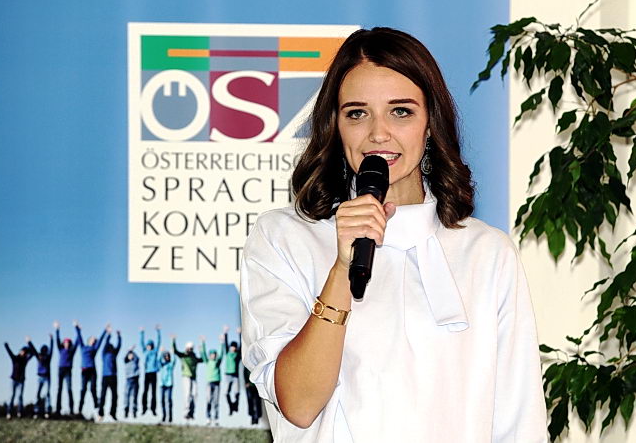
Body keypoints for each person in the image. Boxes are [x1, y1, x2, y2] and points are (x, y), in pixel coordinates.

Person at [240, 27, 547, 442]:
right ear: (335, 126)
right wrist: (341, 268)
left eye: (400, 111)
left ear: (430, 124)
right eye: (357, 113)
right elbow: (298, 403)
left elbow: (520, 421)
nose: (378, 133)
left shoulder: (486, 252)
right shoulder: (284, 238)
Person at [76, 321, 108, 416]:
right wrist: (77, 328)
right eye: (92, 339)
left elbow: (100, 340)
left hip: (92, 371)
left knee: (93, 388)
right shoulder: (83, 347)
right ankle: (80, 409)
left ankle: (96, 405)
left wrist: (105, 331)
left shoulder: (94, 349)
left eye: (94, 340)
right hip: (84, 370)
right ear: (89, 340)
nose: (94, 340)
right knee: (83, 389)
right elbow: (79, 338)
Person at [172, 335, 202, 420]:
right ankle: (186, 412)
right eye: (188, 348)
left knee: (195, 394)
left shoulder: (194, 357)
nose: (189, 350)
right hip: (186, 377)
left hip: (193, 377)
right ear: (186, 348)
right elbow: (175, 351)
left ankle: (191, 413)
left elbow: (203, 359)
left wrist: (201, 350)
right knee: (187, 394)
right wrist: (173, 341)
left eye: (191, 348)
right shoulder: (183, 356)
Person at [4, 337, 33, 418]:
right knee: (11, 396)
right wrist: (6, 346)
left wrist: (29, 343)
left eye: (25, 352)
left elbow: (33, 353)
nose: (23, 353)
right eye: (22, 351)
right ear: (20, 351)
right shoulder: (15, 358)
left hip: (21, 381)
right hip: (14, 380)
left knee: (20, 396)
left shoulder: (25, 360)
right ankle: (9, 412)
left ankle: (19, 412)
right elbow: (9, 353)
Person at [54, 320, 78, 416]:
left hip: (68, 370)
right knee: (59, 389)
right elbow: (57, 340)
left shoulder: (72, 351)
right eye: (65, 342)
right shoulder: (61, 350)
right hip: (61, 369)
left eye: (68, 342)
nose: (66, 343)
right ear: (63, 344)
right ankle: (58, 410)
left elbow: (77, 341)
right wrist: (57, 329)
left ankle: (71, 410)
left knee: (69, 389)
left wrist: (76, 328)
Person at [27, 333, 54, 418]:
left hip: (47, 377)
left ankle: (47, 412)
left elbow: (51, 349)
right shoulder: (38, 356)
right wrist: (29, 342)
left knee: (47, 394)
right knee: (38, 394)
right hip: (40, 377)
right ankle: (36, 411)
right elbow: (34, 350)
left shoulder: (48, 357)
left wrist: (51, 340)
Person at [98, 327, 121, 421]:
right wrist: (109, 334)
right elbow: (106, 343)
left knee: (115, 396)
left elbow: (119, 346)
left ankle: (113, 413)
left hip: (113, 377)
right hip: (105, 376)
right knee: (103, 395)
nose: (111, 348)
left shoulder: (114, 354)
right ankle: (101, 413)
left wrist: (119, 336)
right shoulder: (104, 354)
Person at [139, 325, 161, 416]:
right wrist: (142, 333)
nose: (148, 346)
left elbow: (159, 342)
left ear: (152, 346)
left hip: (154, 373)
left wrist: (158, 331)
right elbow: (141, 343)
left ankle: (153, 409)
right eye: (147, 345)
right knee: (145, 391)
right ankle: (144, 408)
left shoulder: (155, 352)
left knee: (153, 392)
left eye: (150, 345)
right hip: (147, 373)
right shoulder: (145, 351)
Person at [222, 326, 242, 415]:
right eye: (232, 347)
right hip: (228, 375)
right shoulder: (227, 353)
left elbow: (241, 346)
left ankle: (236, 405)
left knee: (237, 392)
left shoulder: (237, 355)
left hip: (235, 376)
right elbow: (225, 343)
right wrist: (225, 333)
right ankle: (231, 407)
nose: (233, 348)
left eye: (234, 347)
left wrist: (239, 334)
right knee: (226, 393)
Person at [158, 349, 175, 423]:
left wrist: (172, 353)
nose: (167, 357)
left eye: (168, 356)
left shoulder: (170, 365)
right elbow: (158, 360)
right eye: (165, 356)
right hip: (162, 384)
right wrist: (161, 352)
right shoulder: (161, 365)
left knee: (169, 400)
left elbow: (174, 360)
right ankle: (164, 416)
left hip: (169, 384)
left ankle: (170, 417)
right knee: (162, 400)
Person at [123, 346, 140, 418]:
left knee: (134, 396)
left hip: (135, 380)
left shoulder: (135, 361)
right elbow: (125, 357)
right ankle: (126, 410)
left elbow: (137, 358)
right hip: (128, 380)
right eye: (129, 355)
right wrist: (129, 351)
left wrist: (132, 351)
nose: (131, 356)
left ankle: (134, 411)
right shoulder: (126, 362)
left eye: (132, 355)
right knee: (126, 395)